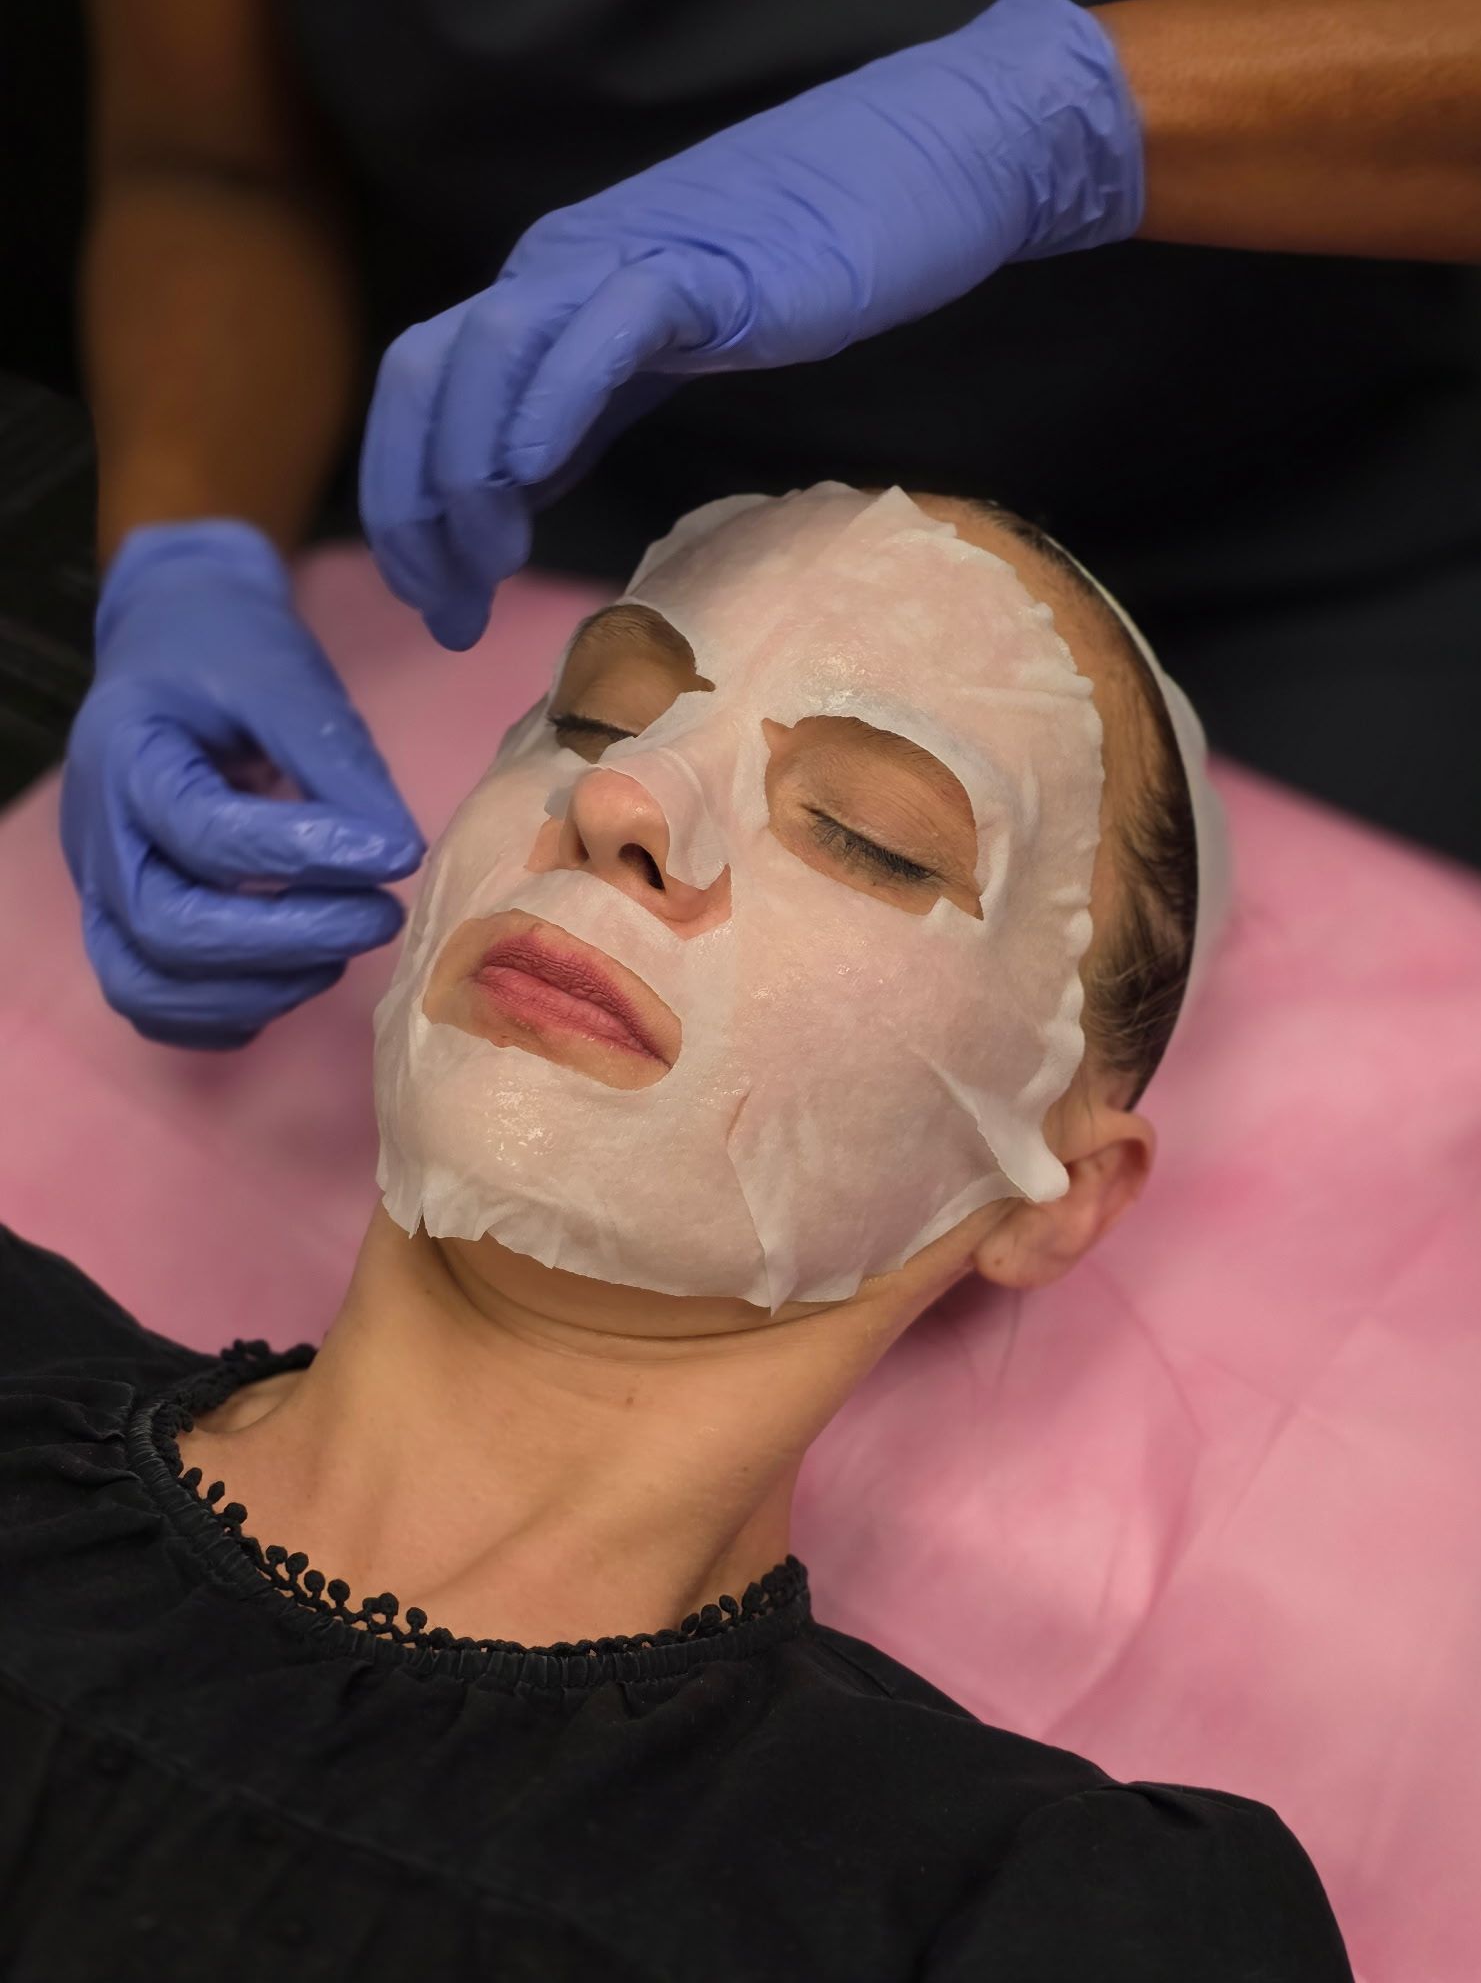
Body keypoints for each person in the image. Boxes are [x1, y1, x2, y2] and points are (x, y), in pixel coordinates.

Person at [2, 491, 1352, 1980]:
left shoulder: (1022, 1909)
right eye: (594, 723)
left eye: (869, 836)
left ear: (1053, 1195)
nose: (623, 806)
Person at [56, 0, 1481, 1057]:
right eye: (610, 752)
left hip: (1317, 515)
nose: (627, 808)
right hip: (598, 528)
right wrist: (188, 552)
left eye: (872, 841)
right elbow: (214, 165)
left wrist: (1063, 124)